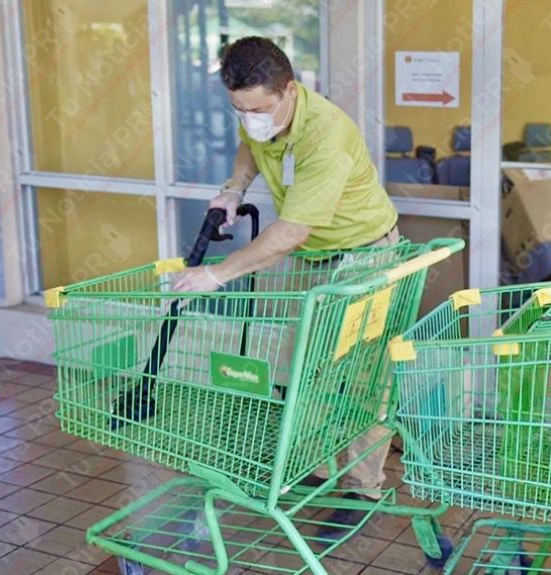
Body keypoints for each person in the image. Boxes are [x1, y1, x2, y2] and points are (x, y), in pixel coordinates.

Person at [172, 37, 400, 536]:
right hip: (316, 258)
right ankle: (313, 467)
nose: (249, 118)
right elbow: (250, 146)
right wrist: (233, 190)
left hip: (366, 256)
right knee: (308, 366)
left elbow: (291, 230)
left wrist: (216, 273)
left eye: (258, 109)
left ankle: (363, 488)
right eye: (239, 109)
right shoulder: (265, 117)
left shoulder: (326, 136)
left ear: (290, 90)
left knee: (363, 378)